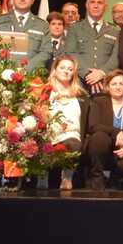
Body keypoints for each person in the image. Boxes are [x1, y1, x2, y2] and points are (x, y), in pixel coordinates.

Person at [83, 69, 123, 191]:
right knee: (99, 137)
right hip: (103, 146)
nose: (118, 87)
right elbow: (93, 126)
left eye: (121, 84)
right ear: (108, 86)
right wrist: (116, 132)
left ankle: (115, 178)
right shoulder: (98, 102)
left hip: (122, 148)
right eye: (114, 84)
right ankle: (97, 176)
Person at [43, 55, 89, 190]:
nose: (66, 71)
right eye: (62, 68)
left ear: (74, 73)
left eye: (70, 69)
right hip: (49, 136)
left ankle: (67, 177)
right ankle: (42, 177)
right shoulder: (45, 92)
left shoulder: (81, 96)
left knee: (72, 143)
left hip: (72, 138)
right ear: (55, 70)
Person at [63, 0, 120, 94]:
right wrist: (87, 74)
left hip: (106, 83)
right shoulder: (75, 28)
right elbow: (71, 53)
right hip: (79, 83)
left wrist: (101, 73)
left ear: (105, 7)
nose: (96, 6)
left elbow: (116, 56)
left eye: (100, 3)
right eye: (92, 2)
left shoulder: (115, 30)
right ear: (86, 5)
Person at [0, 0, 54, 72]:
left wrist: (26, 69)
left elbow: (46, 52)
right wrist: (3, 70)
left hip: (31, 75)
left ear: (33, 0)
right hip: (1, 73)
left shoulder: (42, 25)